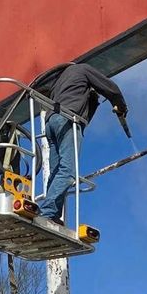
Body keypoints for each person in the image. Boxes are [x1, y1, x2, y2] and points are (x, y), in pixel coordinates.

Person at [34, 62, 127, 223]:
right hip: (68, 119)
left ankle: (53, 214)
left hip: (50, 123)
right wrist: (121, 105)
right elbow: (110, 88)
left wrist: (93, 99)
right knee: (68, 171)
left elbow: (85, 112)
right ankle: (48, 212)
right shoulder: (83, 69)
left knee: (56, 171)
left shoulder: (62, 81)